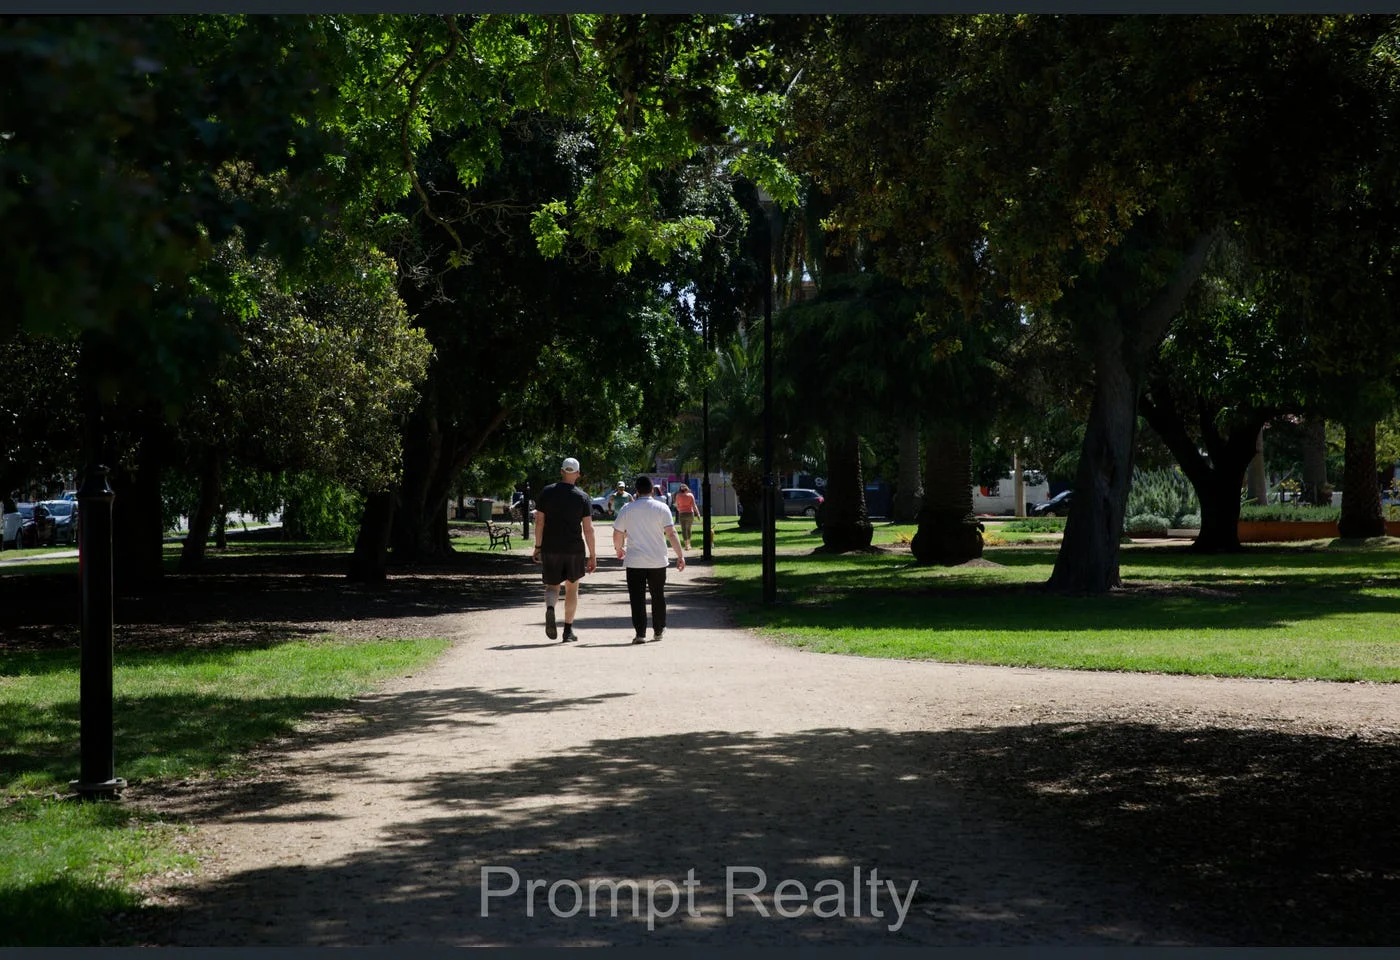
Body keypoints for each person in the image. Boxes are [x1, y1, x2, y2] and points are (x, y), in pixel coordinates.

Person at [612, 475, 686, 644]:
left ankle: (640, 633)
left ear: (636, 491)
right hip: (657, 560)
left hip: (634, 561)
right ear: (652, 490)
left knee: (637, 598)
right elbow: (671, 533)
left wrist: (618, 548)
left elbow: (617, 532)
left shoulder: (627, 508)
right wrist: (680, 555)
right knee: (658, 595)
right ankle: (659, 630)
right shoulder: (662, 508)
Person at [532, 457, 597, 643]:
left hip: (551, 546)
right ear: (577, 474)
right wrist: (592, 555)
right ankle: (568, 631)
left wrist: (538, 546)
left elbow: (539, 522)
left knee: (552, 586)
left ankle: (550, 608)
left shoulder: (547, 492)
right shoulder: (582, 497)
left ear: (562, 471)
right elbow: (588, 529)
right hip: (574, 548)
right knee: (572, 588)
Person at [672, 483, 697, 550]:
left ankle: (686, 545)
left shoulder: (678, 496)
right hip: (690, 514)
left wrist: (679, 509)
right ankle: (689, 544)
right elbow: (694, 505)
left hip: (682, 514)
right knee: (689, 529)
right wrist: (698, 513)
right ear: (687, 489)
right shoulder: (691, 495)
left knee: (684, 530)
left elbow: (677, 505)